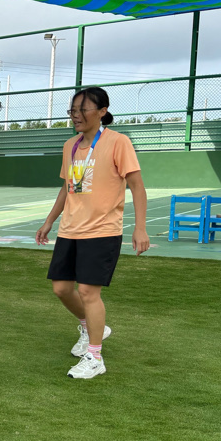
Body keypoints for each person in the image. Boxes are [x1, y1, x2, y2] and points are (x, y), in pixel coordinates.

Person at [36, 86, 148, 379]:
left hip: (102, 230)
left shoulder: (118, 142)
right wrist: (49, 221)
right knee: (61, 289)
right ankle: (90, 327)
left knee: (88, 291)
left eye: (82, 110)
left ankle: (95, 357)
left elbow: (137, 187)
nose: (76, 116)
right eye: (72, 111)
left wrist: (140, 227)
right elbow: (67, 188)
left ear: (102, 111)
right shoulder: (70, 145)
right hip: (70, 229)